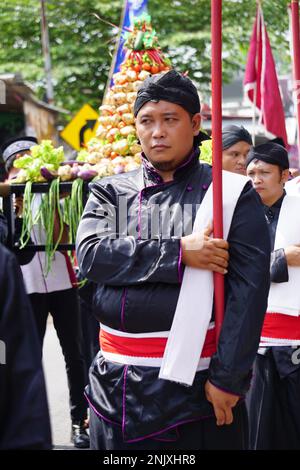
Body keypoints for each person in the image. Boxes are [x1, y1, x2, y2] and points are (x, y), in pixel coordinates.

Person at [76, 70, 270, 450]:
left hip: (198, 391)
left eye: (170, 119)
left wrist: (228, 379)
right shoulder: (112, 192)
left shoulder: (228, 195)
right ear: (135, 128)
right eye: (147, 121)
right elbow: (92, 256)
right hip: (114, 387)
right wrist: (180, 254)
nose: (157, 132)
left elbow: (250, 292)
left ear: (195, 124)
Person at [1, 136, 89, 449]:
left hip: (62, 280)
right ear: (10, 171)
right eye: (18, 163)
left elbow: (62, 235)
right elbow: (14, 246)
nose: (26, 168)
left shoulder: (55, 192)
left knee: (74, 355)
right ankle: (30, 427)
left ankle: (80, 423)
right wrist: (18, 208)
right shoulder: (8, 200)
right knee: (28, 357)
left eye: (31, 159)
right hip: (27, 286)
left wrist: (49, 200)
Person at [246, 142, 300, 449]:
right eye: (251, 172)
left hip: (294, 333)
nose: (257, 179)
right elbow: (235, 268)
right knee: (259, 426)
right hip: (256, 335)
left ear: (285, 175)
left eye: (265, 172)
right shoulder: (237, 216)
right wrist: (281, 258)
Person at [0, 242, 52, 449]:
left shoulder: (3, 264)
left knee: (73, 352)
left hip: (57, 285)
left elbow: (20, 378)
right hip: (31, 287)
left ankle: (77, 419)